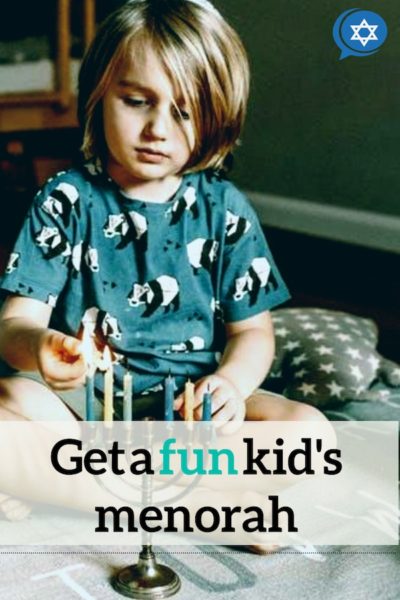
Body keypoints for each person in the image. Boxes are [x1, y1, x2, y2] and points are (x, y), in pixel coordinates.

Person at [0, 0, 329, 547]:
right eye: (136, 101)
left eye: (183, 110)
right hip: (83, 419)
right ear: (99, 94)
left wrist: (230, 384)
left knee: (308, 434)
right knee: (9, 407)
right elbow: (14, 324)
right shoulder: (64, 199)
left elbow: (254, 333)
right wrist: (38, 348)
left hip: (189, 414)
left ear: (216, 115)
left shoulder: (225, 210)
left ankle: (70, 492)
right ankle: (209, 508)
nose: (157, 129)